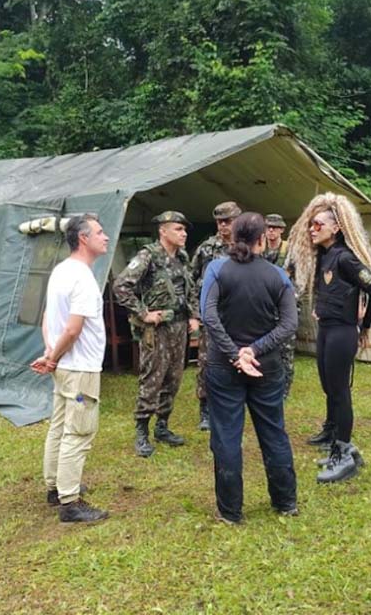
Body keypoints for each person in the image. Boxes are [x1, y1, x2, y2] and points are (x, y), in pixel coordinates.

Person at [201, 212, 299, 523]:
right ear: (261, 239)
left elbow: (208, 316)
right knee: (274, 432)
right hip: (266, 366)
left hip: (224, 367)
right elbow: (289, 324)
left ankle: (230, 512)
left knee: (227, 436)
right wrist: (254, 350)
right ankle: (286, 503)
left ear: (232, 237)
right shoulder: (277, 275)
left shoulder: (217, 269)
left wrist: (235, 353)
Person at [285, 193, 371, 483]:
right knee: (330, 387)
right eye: (311, 225)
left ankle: (344, 453)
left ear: (336, 228)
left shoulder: (346, 258)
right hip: (327, 329)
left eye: (318, 224)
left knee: (340, 392)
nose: (312, 229)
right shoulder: (324, 256)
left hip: (342, 332)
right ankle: (338, 443)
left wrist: (364, 325)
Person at [30, 213, 110, 524]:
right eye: (100, 233)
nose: (105, 237)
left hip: (64, 367)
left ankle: (55, 486)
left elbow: (49, 318)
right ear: (83, 239)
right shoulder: (83, 278)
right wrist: (54, 356)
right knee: (79, 431)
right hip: (80, 370)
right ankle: (70, 502)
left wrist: (51, 352)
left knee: (60, 426)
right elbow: (74, 329)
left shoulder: (60, 272)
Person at [112, 211, 200, 458]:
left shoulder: (182, 257)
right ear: (163, 231)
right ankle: (142, 431)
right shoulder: (148, 256)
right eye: (178, 229)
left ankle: (162, 426)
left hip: (179, 327)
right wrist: (143, 313)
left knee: (174, 378)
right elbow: (121, 285)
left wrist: (193, 315)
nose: (183, 234)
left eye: (184, 230)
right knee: (152, 378)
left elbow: (189, 288)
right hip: (157, 330)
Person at [191, 201, 242, 430]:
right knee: (207, 362)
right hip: (211, 318)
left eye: (228, 221)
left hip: (238, 317)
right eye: (220, 222)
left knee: (238, 359)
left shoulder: (245, 247)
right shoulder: (206, 249)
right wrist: (195, 313)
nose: (224, 226)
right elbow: (191, 281)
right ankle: (206, 409)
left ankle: (233, 404)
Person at [263, 213, 296, 399]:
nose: (271, 231)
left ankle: (284, 389)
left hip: (284, 309)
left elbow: (299, 281)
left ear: (282, 230)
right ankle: (267, 384)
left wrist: (290, 301)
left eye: (275, 228)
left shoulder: (290, 253)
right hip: (265, 309)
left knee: (286, 351)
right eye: (268, 228)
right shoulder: (260, 251)